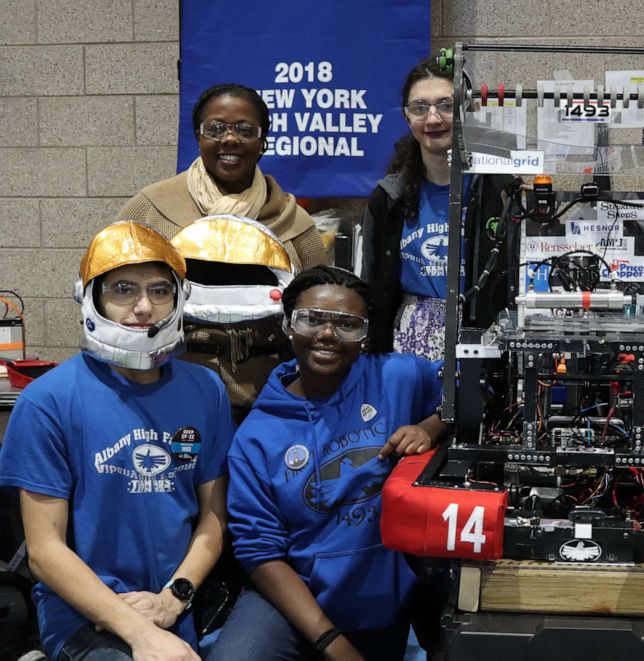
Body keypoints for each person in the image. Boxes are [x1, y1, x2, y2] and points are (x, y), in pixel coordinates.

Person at [0, 222, 234, 660]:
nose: (144, 307)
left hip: (177, 601)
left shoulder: (206, 389)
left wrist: (173, 598)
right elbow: (44, 551)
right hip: (81, 611)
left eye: (161, 290)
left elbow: (215, 516)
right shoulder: (48, 400)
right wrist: (139, 633)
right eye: (124, 289)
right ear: (92, 297)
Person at [207, 265, 447, 661]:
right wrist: (331, 643)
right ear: (288, 325)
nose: (327, 334)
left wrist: (430, 426)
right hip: (292, 595)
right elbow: (259, 550)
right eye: (312, 319)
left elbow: (472, 395)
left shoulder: (398, 377)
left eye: (347, 324)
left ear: (365, 334)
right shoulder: (256, 436)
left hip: (378, 596)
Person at [116, 83, 326, 417]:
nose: (229, 139)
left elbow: (320, 310)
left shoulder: (293, 222)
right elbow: (107, 295)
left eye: (244, 129)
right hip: (168, 392)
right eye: (215, 129)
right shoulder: (150, 210)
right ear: (198, 137)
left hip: (267, 398)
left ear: (263, 142)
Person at [361, 58, 514, 359]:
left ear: (468, 110)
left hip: (486, 342)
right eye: (420, 107)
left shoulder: (501, 191)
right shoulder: (388, 197)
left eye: (446, 105)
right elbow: (371, 287)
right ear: (407, 117)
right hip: (406, 350)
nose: (433, 119)